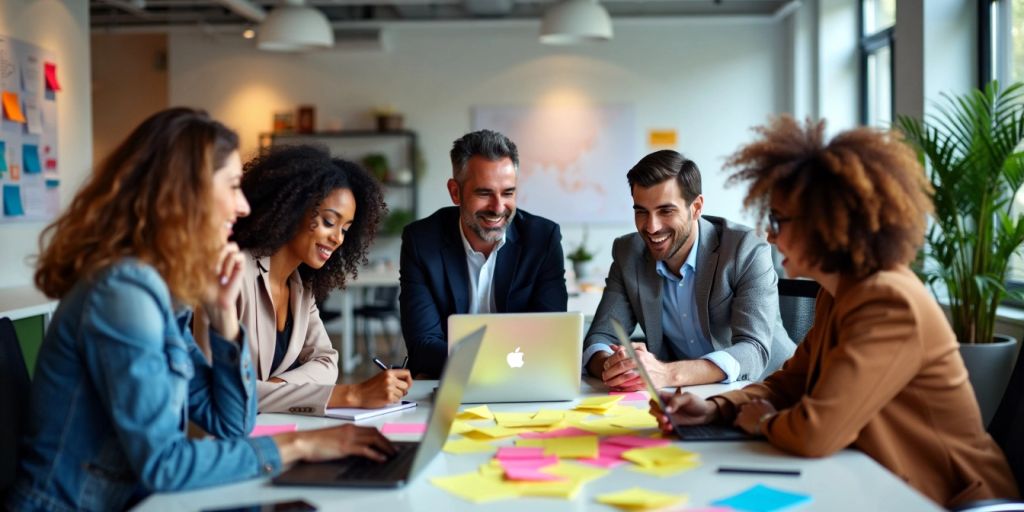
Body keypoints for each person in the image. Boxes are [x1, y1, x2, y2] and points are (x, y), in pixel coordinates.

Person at [8, 108, 394, 512]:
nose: (243, 206)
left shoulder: (159, 295)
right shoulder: (122, 295)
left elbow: (231, 423)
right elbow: (164, 464)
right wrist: (302, 444)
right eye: (231, 187)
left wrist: (227, 324)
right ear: (182, 193)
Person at [651, 116, 1020, 507]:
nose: (769, 235)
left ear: (827, 224)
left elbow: (817, 432)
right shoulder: (838, 294)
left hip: (947, 499)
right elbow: (787, 384)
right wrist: (713, 409)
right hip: (874, 482)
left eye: (778, 220)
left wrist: (762, 422)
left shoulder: (887, 301)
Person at [584, 149, 795, 390]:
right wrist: (614, 366)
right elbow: (599, 338)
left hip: (770, 388)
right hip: (689, 395)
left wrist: (667, 373)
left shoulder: (744, 249)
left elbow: (753, 349)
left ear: (696, 207)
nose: (651, 227)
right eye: (641, 211)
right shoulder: (628, 252)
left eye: (666, 211)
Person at [227, 144, 412, 414]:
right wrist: (352, 395)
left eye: (345, 229)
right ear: (292, 209)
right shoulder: (236, 273)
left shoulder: (301, 287)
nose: (338, 238)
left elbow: (327, 362)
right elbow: (230, 394)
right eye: (328, 221)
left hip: (272, 427)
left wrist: (273, 390)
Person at [400, 129, 568, 378]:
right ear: (455, 192)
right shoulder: (421, 241)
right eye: (484, 193)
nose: (498, 208)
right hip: (449, 380)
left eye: (508, 193)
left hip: (524, 380)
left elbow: (551, 334)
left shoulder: (542, 239)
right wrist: (499, 362)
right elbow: (423, 346)